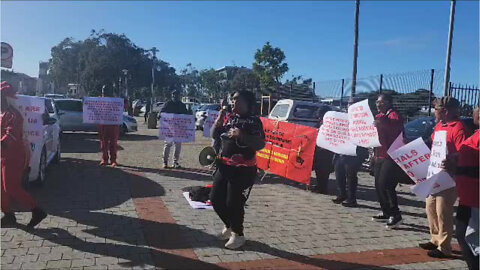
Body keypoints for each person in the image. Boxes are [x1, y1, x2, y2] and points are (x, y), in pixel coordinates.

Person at [210, 90, 265, 249]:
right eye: (232, 99)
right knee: (215, 199)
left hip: (243, 170)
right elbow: (215, 135)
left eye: (237, 100)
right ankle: (229, 226)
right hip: (224, 166)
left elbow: (260, 144)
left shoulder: (254, 121)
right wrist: (218, 122)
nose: (233, 102)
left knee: (234, 202)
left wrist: (242, 135)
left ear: (247, 103)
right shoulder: (229, 117)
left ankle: (238, 235)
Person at [419, 96, 469, 258]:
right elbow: (434, 145)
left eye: (436, 109)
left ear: (445, 111)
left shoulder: (458, 128)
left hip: (449, 176)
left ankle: (444, 246)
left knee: (443, 211)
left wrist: (452, 160)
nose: (434, 112)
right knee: (431, 207)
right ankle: (435, 238)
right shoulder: (440, 126)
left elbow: (463, 152)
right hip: (435, 174)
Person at [1, 81, 47, 228]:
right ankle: (8, 215)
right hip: (4, 155)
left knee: (11, 187)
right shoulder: (3, 113)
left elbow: (11, 135)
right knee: (1, 188)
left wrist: (2, 143)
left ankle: (36, 210)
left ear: (6, 98)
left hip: (14, 155)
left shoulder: (14, 115)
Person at [443, 107, 479, 269]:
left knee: (470, 239)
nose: (475, 111)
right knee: (465, 237)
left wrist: (459, 170)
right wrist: (454, 159)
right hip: (468, 197)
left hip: (476, 199)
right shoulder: (476, 133)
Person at [372, 94, 405, 228]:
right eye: (377, 102)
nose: (378, 104)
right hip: (379, 155)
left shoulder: (394, 116)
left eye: (381, 102)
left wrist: (381, 123)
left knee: (387, 185)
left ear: (389, 103)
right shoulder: (379, 117)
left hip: (391, 156)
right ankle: (386, 211)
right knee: (379, 185)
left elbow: (394, 128)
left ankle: (395, 214)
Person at [332, 98, 369, 207]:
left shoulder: (363, 119)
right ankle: (342, 194)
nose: (350, 106)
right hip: (341, 151)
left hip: (355, 152)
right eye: (349, 104)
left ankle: (352, 199)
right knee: (339, 172)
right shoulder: (343, 117)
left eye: (352, 104)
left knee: (351, 176)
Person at [160, 90, 189, 168]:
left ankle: (175, 162)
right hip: (169, 127)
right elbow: (161, 113)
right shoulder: (168, 104)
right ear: (171, 96)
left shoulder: (182, 105)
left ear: (179, 96)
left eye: (177, 95)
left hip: (179, 127)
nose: (175, 96)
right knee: (168, 144)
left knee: (178, 145)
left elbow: (186, 114)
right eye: (173, 95)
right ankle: (165, 162)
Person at [311, 108, 334, 194]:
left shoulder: (331, 125)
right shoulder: (319, 123)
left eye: (321, 115)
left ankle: (323, 188)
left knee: (324, 171)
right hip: (319, 150)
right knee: (318, 170)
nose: (319, 117)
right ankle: (319, 186)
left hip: (327, 152)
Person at [98, 85, 120, 167]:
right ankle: (104, 159)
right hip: (103, 125)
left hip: (113, 125)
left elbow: (125, 105)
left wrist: (123, 100)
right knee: (103, 143)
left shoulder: (116, 101)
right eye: (104, 92)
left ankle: (113, 160)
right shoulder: (99, 100)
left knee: (113, 143)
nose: (105, 94)